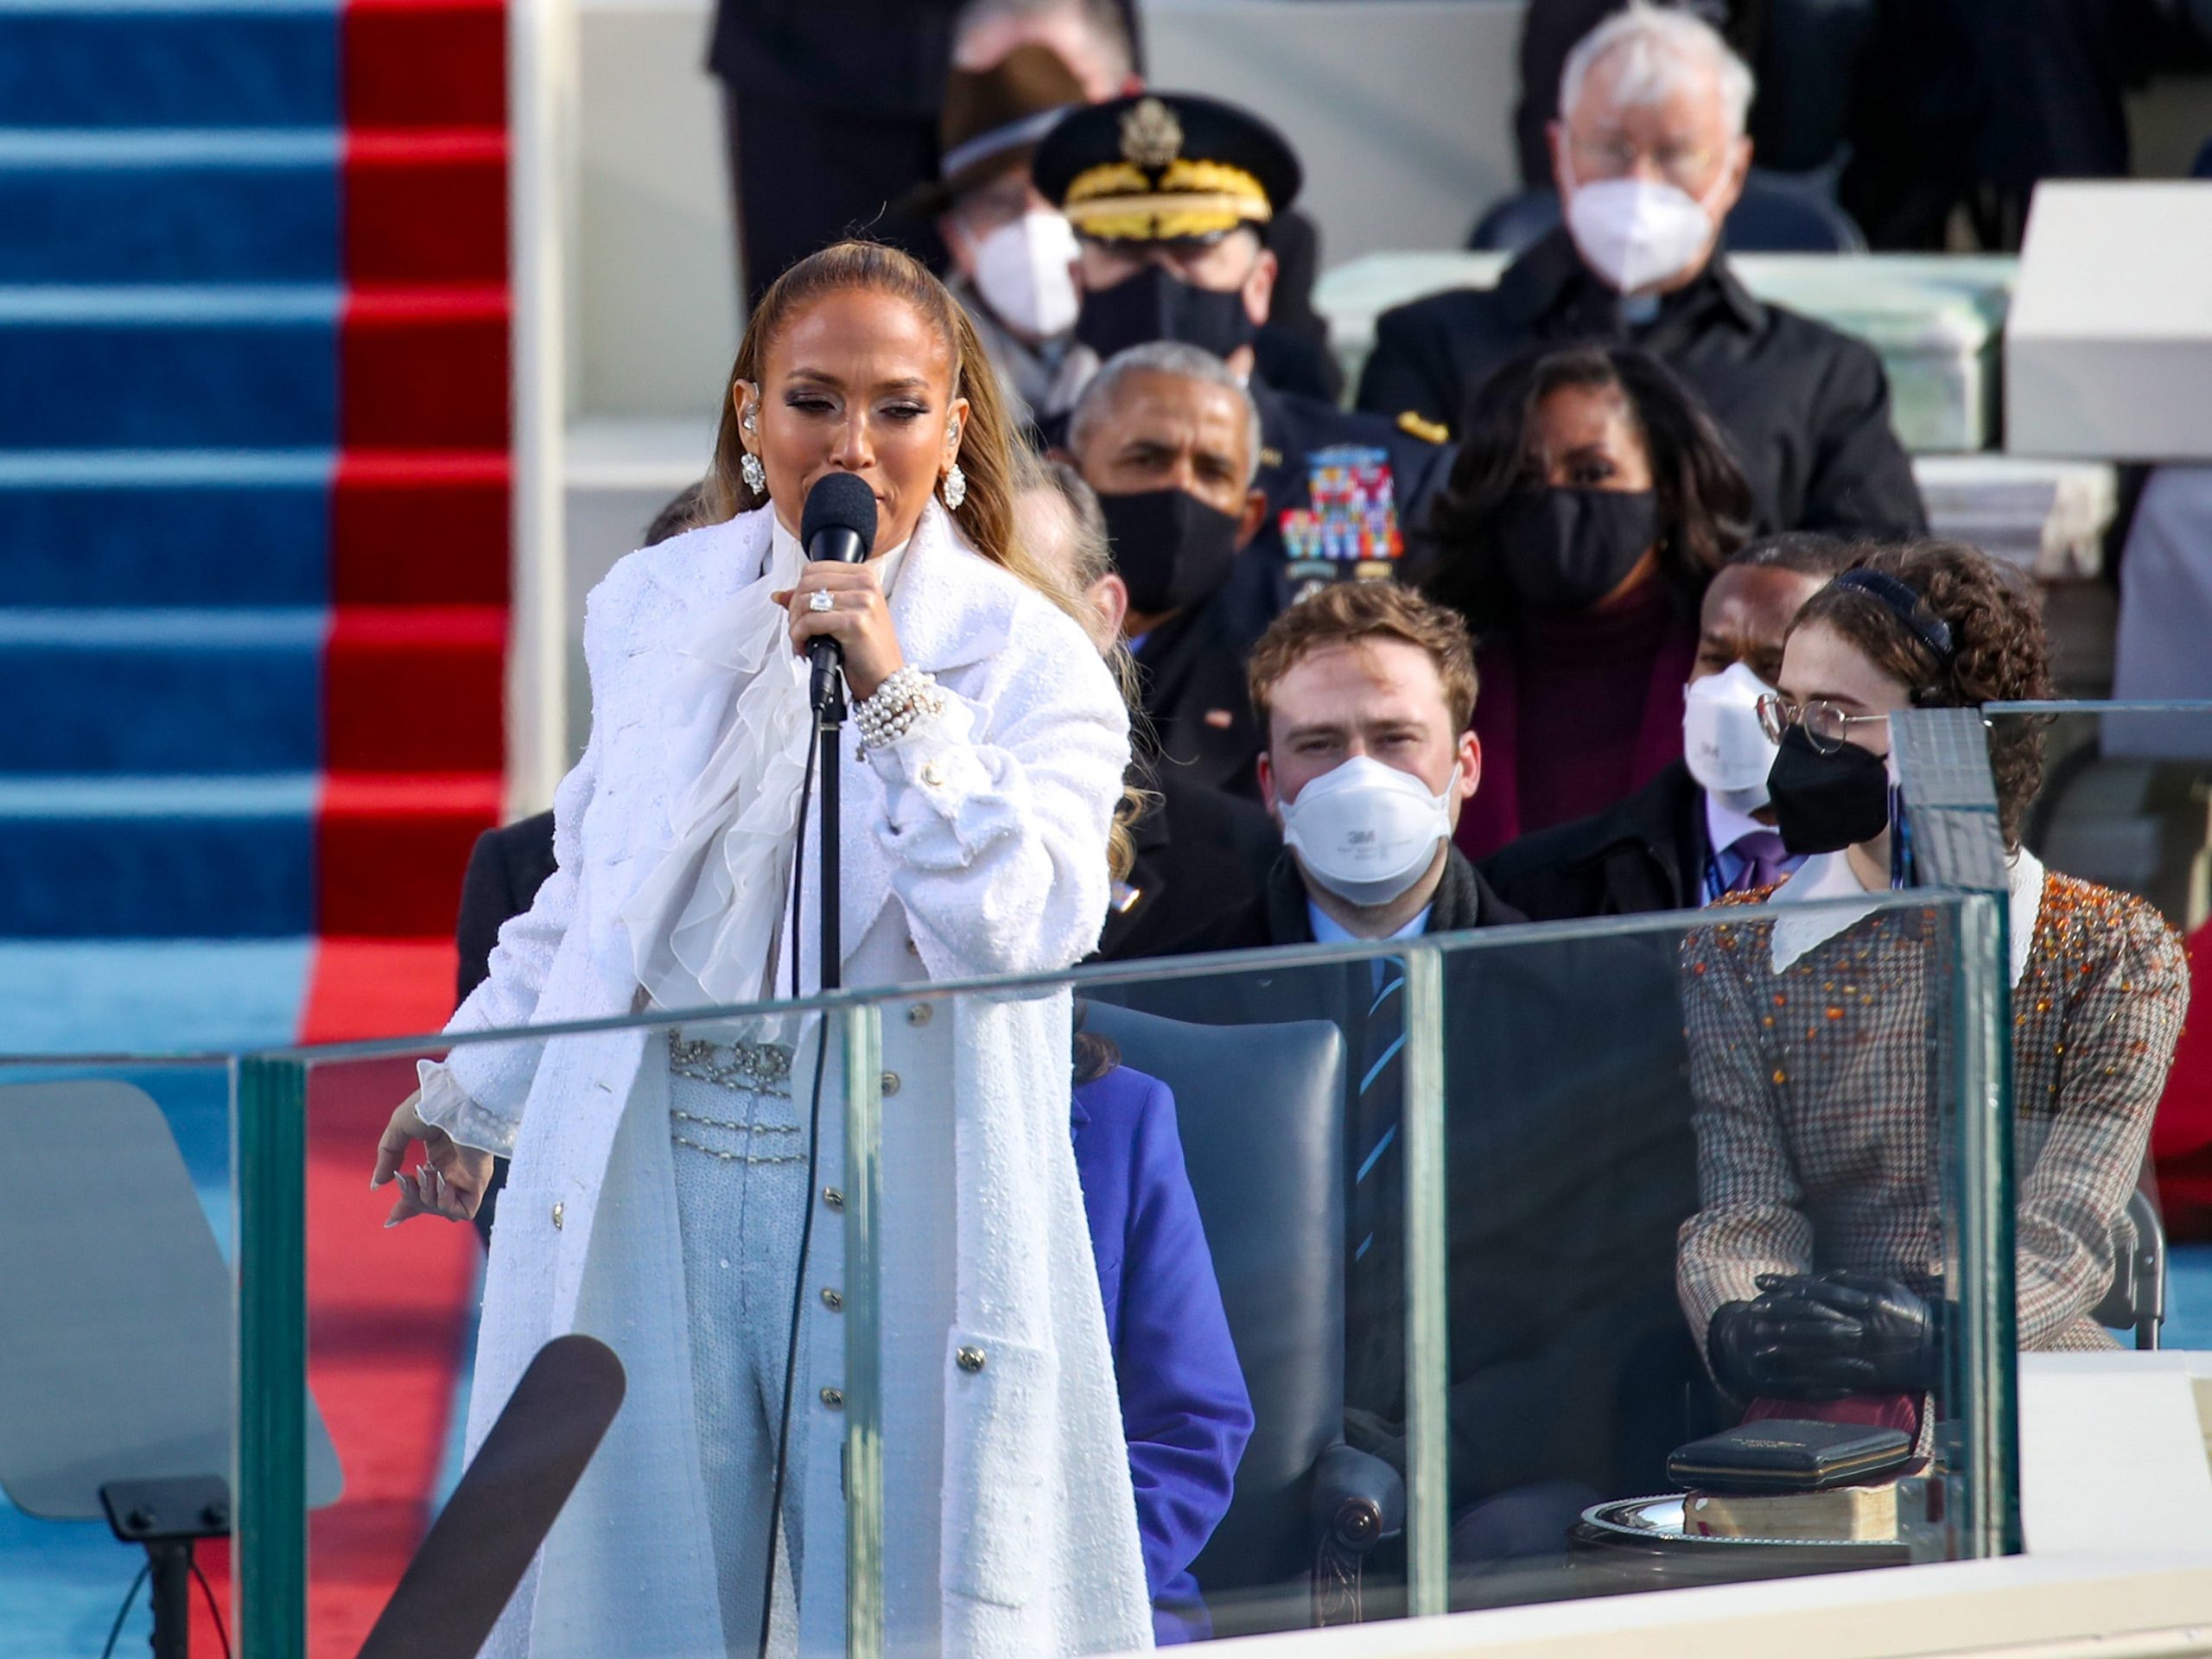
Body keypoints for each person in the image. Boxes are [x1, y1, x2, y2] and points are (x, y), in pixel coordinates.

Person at [371, 241, 1152, 1655]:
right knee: (638, 1586)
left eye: (899, 407)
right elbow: (592, 881)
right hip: (663, 1155)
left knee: (892, 1595)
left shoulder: (1029, 658)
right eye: (814, 401)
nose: (855, 444)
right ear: (749, 416)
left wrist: (898, 692)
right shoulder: (660, 606)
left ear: (955, 429)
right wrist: (474, 1090)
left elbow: (1026, 928)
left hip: (895, 1167)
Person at [1679, 542, 2190, 1421]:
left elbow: (2069, 1227)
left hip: (2033, 1374)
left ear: (1954, 736)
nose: (1802, 746)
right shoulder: (1733, 949)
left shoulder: (2115, 952)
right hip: (1817, 1385)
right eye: (1790, 712)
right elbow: (1742, 1208)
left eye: (1836, 717)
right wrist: (1739, 1319)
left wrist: (1943, 1331)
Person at [1356, 3, 1924, 543]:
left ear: (1735, 168)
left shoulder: (1820, 376)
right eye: (1610, 147)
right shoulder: (1434, 348)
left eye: (1676, 153)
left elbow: (1881, 582)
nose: (1640, 180)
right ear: (1559, 152)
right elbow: (1395, 558)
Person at [1033, 89, 1454, 649]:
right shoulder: (1012, 470)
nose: (1158, 284)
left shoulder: (1398, 475)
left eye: (1191, 253)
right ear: (1079, 283)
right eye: (1126, 254)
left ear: (1259, 285)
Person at [1421, 342, 1753, 861]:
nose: (1556, 498)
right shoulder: (1436, 679)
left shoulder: (1737, 671)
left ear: (1665, 490)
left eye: (1592, 473)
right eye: (1527, 479)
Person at [1483, 531, 1856, 920]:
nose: (1731, 689)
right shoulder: (1539, 886)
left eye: (1771, 666)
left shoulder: (1911, 872)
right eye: (1715, 658)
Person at [1018, 455, 1280, 958]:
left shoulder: (1239, 859)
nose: (984, 633)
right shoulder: (835, 819)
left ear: (1102, 616)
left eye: (1030, 599)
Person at [1068, 1020, 1254, 1643]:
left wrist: (1064, 1585)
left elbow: (1194, 1427)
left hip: (1093, 1598)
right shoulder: (802, 1113)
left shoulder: (1123, 1113)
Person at [1061, 341, 1270, 800]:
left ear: (1248, 519)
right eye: (1147, 459)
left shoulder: (1275, 687)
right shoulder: (990, 629)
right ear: (1067, 480)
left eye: (1212, 471)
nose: (1180, 488)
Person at [918, 45, 1094, 429]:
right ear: (957, 238)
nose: (1035, 223)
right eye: (1001, 204)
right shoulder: (917, 367)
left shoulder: (1151, 341)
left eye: (1057, 194)